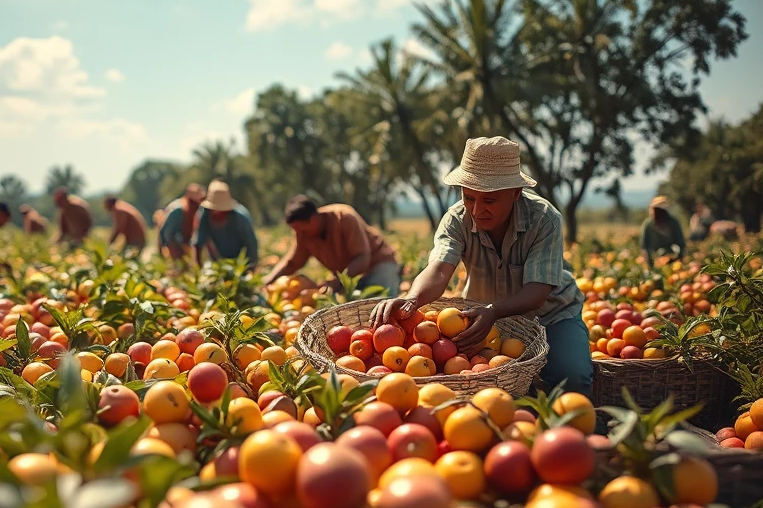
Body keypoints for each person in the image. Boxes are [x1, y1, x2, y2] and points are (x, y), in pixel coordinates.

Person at [371, 136, 592, 397]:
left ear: (515, 193)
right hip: (482, 321)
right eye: (469, 198)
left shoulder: (543, 218)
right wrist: (411, 300)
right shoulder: (457, 219)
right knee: (491, 390)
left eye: (489, 201)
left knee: (572, 378)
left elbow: (538, 291)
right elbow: (440, 269)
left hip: (552, 315)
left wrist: (493, 311)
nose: (476, 210)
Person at [263, 195, 401, 295]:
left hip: (378, 264)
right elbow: (292, 262)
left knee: (380, 302)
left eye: (301, 229)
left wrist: (336, 281)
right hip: (348, 276)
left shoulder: (344, 218)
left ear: (312, 220)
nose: (299, 234)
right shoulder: (303, 234)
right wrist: (269, 279)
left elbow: (362, 258)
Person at [193, 180, 258, 269]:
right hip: (217, 262)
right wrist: (199, 268)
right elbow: (198, 243)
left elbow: (251, 244)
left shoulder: (240, 217)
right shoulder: (204, 216)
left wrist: (250, 268)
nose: (217, 214)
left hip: (239, 261)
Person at [159, 183, 206, 261]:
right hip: (172, 246)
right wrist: (180, 248)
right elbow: (168, 235)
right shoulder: (178, 211)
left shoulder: (199, 211)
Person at [640, 196, 686, 265]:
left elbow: (681, 245)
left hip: (672, 260)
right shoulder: (648, 224)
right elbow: (644, 246)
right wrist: (650, 264)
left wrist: (679, 261)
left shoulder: (673, 222)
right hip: (655, 260)